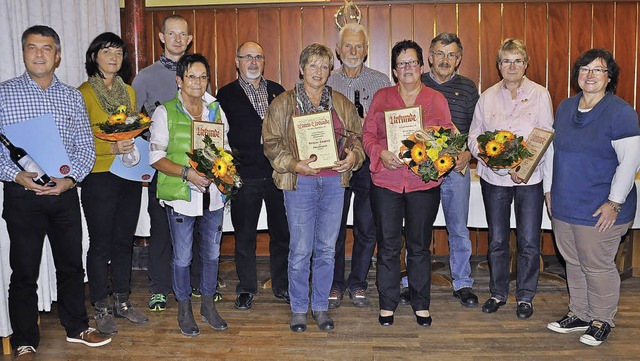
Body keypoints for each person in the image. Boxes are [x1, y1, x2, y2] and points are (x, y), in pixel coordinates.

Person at [0, 25, 111, 359]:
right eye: (32, 48)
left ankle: (77, 327)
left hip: (64, 195)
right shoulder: (4, 94)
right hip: (22, 196)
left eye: (46, 48)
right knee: (24, 272)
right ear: (23, 53)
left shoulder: (72, 96)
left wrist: (71, 179)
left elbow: (85, 148)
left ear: (57, 55)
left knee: (71, 267)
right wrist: (16, 176)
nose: (39, 54)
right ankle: (24, 341)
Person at [263, 43, 364, 333]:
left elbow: (357, 136)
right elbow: (271, 142)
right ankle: (298, 308)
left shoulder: (341, 103)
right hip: (299, 184)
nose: (318, 71)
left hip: (334, 182)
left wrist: (353, 157)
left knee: (326, 249)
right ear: (301, 68)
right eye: (313, 65)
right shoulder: (283, 103)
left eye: (324, 66)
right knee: (300, 250)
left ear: (330, 70)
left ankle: (319, 306)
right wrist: (295, 164)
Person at [544, 49, 640, 346]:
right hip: (565, 204)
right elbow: (552, 152)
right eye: (585, 69)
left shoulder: (620, 112)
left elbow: (630, 161)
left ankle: (602, 319)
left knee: (597, 265)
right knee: (573, 262)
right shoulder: (565, 107)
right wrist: (548, 190)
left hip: (601, 208)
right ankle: (580, 313)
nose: (590, 75)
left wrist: (614, 203)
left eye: (598, 70)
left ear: (609, 77)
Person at [362, 40, 453, 327]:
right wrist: (381, 154)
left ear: (421, 66)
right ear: (394, 70)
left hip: (422, 185)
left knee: (419, 246)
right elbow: (368, 136)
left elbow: (447, 138)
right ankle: (387, 303)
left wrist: (432, 146)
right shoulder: (382, 97)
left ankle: (420, 303)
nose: (408, 68)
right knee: (388, 246)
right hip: (387, 182)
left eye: (413, 62)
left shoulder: (435, 99)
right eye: (402, 64)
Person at [132, 14, 213, 311]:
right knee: (162, 230)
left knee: (196, 228)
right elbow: (130, 119)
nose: (178, 39)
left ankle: (194, 284)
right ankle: (159, 287)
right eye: (172, 34)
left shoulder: (199, 74)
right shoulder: (145, 76)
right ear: (162, 37)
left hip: (197, 170)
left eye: (183, 34)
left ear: (189, 38)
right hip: (164, 165)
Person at [468, 39, 553, 319]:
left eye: (517, 60)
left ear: (526, 64)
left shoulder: (540, 94)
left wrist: (522, 167)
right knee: (497, 240)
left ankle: (525, 297)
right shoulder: (487, 96)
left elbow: (544, 136)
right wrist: (493, 161)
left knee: (529, 241)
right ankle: (498, 292)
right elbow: (473, 137)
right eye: (506, 61)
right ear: (499, 65)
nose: (512, 66)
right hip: (494, 180)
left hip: (529, 181)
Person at [149, 53, 229, 336]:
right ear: (179, 80)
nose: (198, 82)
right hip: (182, 194)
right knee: (182, 257)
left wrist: (225, 169)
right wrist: (188, 173)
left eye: (203, 77)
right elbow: (156, 157)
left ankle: (208, 306)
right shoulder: (165, 112)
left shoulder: (215, 111)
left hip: (213, 195)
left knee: (211, 254)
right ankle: (184, 309)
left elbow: (226, 148)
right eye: (191, 76)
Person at [78, 32, 149, 336]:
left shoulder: (129, 94)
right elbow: (78, 140)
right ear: (95, 56)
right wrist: (110, 148)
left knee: (124, 241)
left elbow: (132, 131)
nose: (114, 58)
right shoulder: (82, 93)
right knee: (100, 244)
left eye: (119, 53)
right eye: (107, 52)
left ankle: (122, 301)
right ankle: (101, 307)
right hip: (98, 175)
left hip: (128, 174)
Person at [216, 41, 290, 310]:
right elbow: (218, 136)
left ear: (264, 61)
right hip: (243, 177)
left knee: (282, 234)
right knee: (244, 236)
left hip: (277, 175)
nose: (253, 62)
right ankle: (246, 287)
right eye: (247, 57)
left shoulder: (278, 92)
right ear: (237, 61)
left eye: (258, 56)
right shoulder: (224, 95)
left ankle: (282, 285)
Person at [326, 23, 391, 309]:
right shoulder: (326, 82)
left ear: (366, 50)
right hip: (335, 164)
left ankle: (358, 282)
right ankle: (335, 283)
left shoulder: (381, 81)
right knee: (334, 228)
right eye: (347, 46)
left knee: (367, 227)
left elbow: (391, 123)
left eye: (358, 46)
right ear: (338, 51)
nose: (353, 51)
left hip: (368, 165)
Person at [421, 32, 479, 308]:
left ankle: (463, 282)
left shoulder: (468, 88)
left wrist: (467, 153)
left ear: (459, 59)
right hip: (422, 170)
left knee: (458, 229)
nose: (445, 60)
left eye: (451, 55)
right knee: (418, 228)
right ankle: (413, 280)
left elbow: (476, 129)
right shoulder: (415, 83)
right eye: (439, 54)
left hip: (456, 169)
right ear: (429, 56)